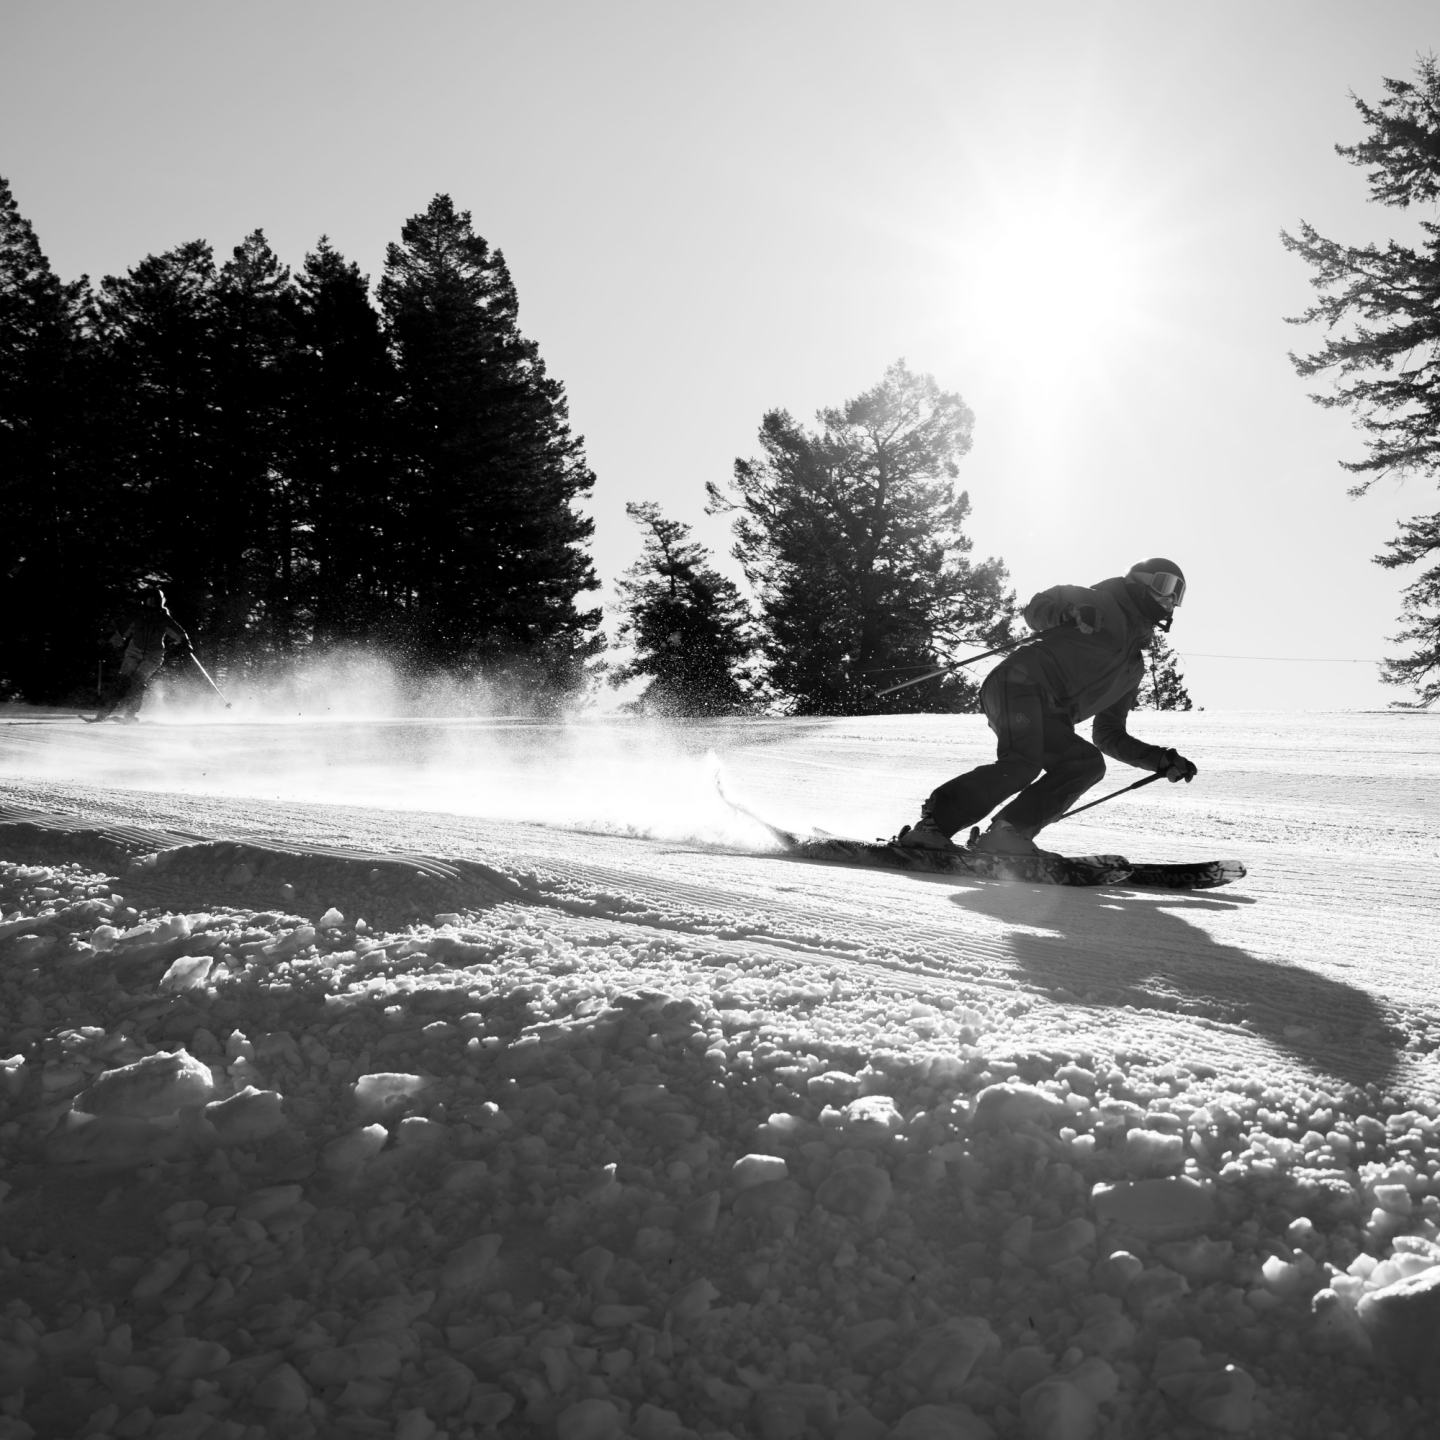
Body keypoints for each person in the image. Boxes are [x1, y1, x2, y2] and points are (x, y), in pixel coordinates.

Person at [895, 558, 1199, 856]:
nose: (1171, 599)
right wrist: (1071, 612)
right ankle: (932, 827)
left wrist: (1159, 759)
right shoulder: (1100, 601)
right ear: (1138, 581)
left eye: (1179, 594)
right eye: (1166, 585)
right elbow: (1036, 609)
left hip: (1051, 711)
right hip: (1020, 681)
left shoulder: (1133, 669)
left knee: (1086, 763)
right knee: (1023, 762)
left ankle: (1006, 833)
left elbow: (1109, 734)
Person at [96, 585, 192, 723]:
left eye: (154, 601)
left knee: (137, 681)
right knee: (122, 681)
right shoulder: (137, 615)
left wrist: (185, 643)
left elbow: (179, 633)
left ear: (160, 602)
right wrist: (110, 645)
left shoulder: (163, 618)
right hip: (134, 651)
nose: (151, 604)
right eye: (148, 601)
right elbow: (121, 632)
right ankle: (104, 713)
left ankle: (130, 714)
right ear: (144, 601)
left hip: (154, 655)